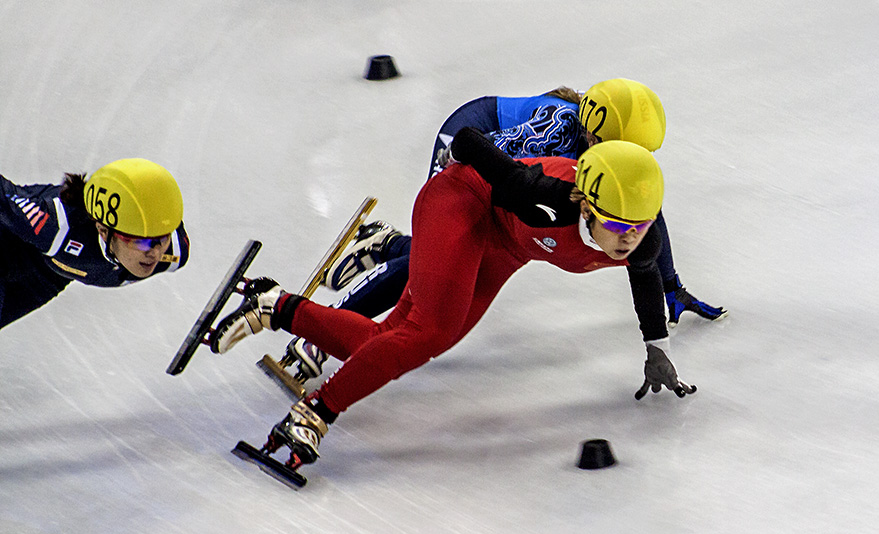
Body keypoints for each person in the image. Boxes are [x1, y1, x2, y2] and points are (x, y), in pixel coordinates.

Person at [210, 128, 691, 475]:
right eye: (618, 225)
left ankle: (273, 305)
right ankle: (315, 413)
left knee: (400, 341)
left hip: (505, 247)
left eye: (640, 226)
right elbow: (466, 141)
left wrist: (657, 348)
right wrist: (485, 160)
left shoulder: (644, 240)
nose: (629, 239)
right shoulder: (544, 197)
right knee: (426, 332)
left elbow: (645, 280)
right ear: (585, 205)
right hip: (461, 202)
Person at [282, 79, 725, 381]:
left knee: (454, 260)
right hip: (472, 141)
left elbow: (648, 215)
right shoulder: (554, 131)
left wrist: (669, 283)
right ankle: (328, 333)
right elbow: (480, 170)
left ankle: (385, 243)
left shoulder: (604, 154)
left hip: (502, 161)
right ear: (591, 134)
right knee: (438, 265)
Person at [1, 158, 189, 329]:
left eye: (162, 239)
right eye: (140, 242)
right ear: (104, 231)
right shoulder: (55, 225)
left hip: (49, 277)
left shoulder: (174, 253)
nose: (154, 254)